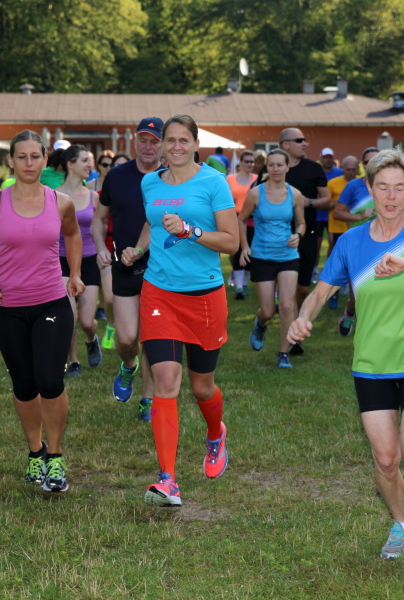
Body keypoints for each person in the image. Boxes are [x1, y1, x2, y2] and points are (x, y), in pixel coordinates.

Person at [289, 148, 404, 560]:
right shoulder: (350, 242)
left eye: (399, 188)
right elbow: (321, 293)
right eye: (382, 187)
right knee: (386, 460)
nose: (391, 196)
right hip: (371, 365)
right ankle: (401, 525)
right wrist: (302, 318)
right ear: (369, 189)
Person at [120, 114, 238, 507]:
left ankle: (215, 433)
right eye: (169, 140)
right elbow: (153, 225)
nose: (175, 147)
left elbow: (232, 242)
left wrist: (191, 231)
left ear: (195, 144)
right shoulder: (150, 182)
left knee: (202, 387)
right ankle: (167, 479)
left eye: (183, 140)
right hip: (159, 293)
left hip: (204, 296)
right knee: (166, 380)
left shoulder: (214, 183)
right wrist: (139, 248)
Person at [0, 130, 85, 494]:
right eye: (22, 157)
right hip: (9, 309)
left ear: (45, 160)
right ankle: (36, 451)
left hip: (51, 303)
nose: (29, 163)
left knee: (50, 380)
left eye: (35, 156)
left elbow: (73, 235)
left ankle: (56, 456)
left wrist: (75, 273)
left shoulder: (60, 202)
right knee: (24, 385)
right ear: (11, 161)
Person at [91, 118, 162, 422]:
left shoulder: (170, 178)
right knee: (126, 340)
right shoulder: (117, 176)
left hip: (161, 270)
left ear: (163, 144)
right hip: (124, 267)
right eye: (143, 140)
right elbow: (99, 219)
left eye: (154, 141)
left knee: (151, 339)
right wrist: (101, 247)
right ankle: (128, 367)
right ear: (134, 141)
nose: (148, 146)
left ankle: (148, 399)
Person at [238, 149, 306, 368]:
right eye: (271, 165)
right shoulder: (256, 193)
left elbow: (301, 223)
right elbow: (241, 219)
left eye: (279, 165)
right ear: (266, 167)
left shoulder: (295, 194)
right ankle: (260, 324)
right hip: (262, 256)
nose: (275, 169)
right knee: (268, 310)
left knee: (286, 305)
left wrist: (298, 235)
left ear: (287, 167)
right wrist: (245, 247)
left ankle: (283, 352)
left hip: (288, 256)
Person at [56, 145, 102, 376]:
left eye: (90, 160)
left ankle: (92, 338)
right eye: (84, 160)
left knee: (86, 321)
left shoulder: (94, 197)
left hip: (89, 260)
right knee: (70, 316)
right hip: (61, 260)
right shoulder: (52, 195)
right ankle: (73, 361)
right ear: (70, 164)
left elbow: (101, 228)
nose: (89, 165)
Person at [278, 128, 331, 322]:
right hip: (277, 235)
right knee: (285, 287)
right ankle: (289, 321)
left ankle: (298, 318)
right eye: (299, 140)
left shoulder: (313, 168)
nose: (304, 144)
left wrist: (306, 202)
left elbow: (327, 200)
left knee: (302, 288)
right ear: (286, 145)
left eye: (304, 140)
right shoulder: (274, 167)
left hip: (306, 234)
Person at [333, 147, 380, 336]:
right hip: (357, 244)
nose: (372, 165)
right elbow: (337, 213)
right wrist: (360, 216)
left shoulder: (389, 186)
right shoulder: (353, 186)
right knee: (357, 294)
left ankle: (372, 328)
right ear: (363, 165)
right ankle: (350, 311)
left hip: (384, 243)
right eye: (368, 162)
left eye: (376, 161)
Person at [88, 151, 117, 349]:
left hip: (129, 245)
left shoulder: (129, 186)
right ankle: (111, 324)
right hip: (104, 243)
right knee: (109, 296)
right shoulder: (92, 188)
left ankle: (121, 326)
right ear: (98, 166)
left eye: (111, 165)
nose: (108, 168)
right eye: (105, 164)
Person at [325, 155, 360, 308]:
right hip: (337, 226)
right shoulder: (333, 183)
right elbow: (327, 204)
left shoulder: (363, 183)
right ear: (342, 169)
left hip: (357, 228)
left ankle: (352, 291)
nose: (350, 172)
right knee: (337, 261)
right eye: (347, 169)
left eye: (353, 169)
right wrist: (341, 202)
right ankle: (333, 293)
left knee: (355, 261)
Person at [227, 149, 257, 299]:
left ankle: (244, 285)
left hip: (253, 219)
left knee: (250, 250)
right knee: (237, 251)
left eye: (252, 161)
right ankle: (239, 286)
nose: (249, 164)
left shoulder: (257, 179)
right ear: (240, 163)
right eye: (247, 161)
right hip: (235, 218)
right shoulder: (230, 178)